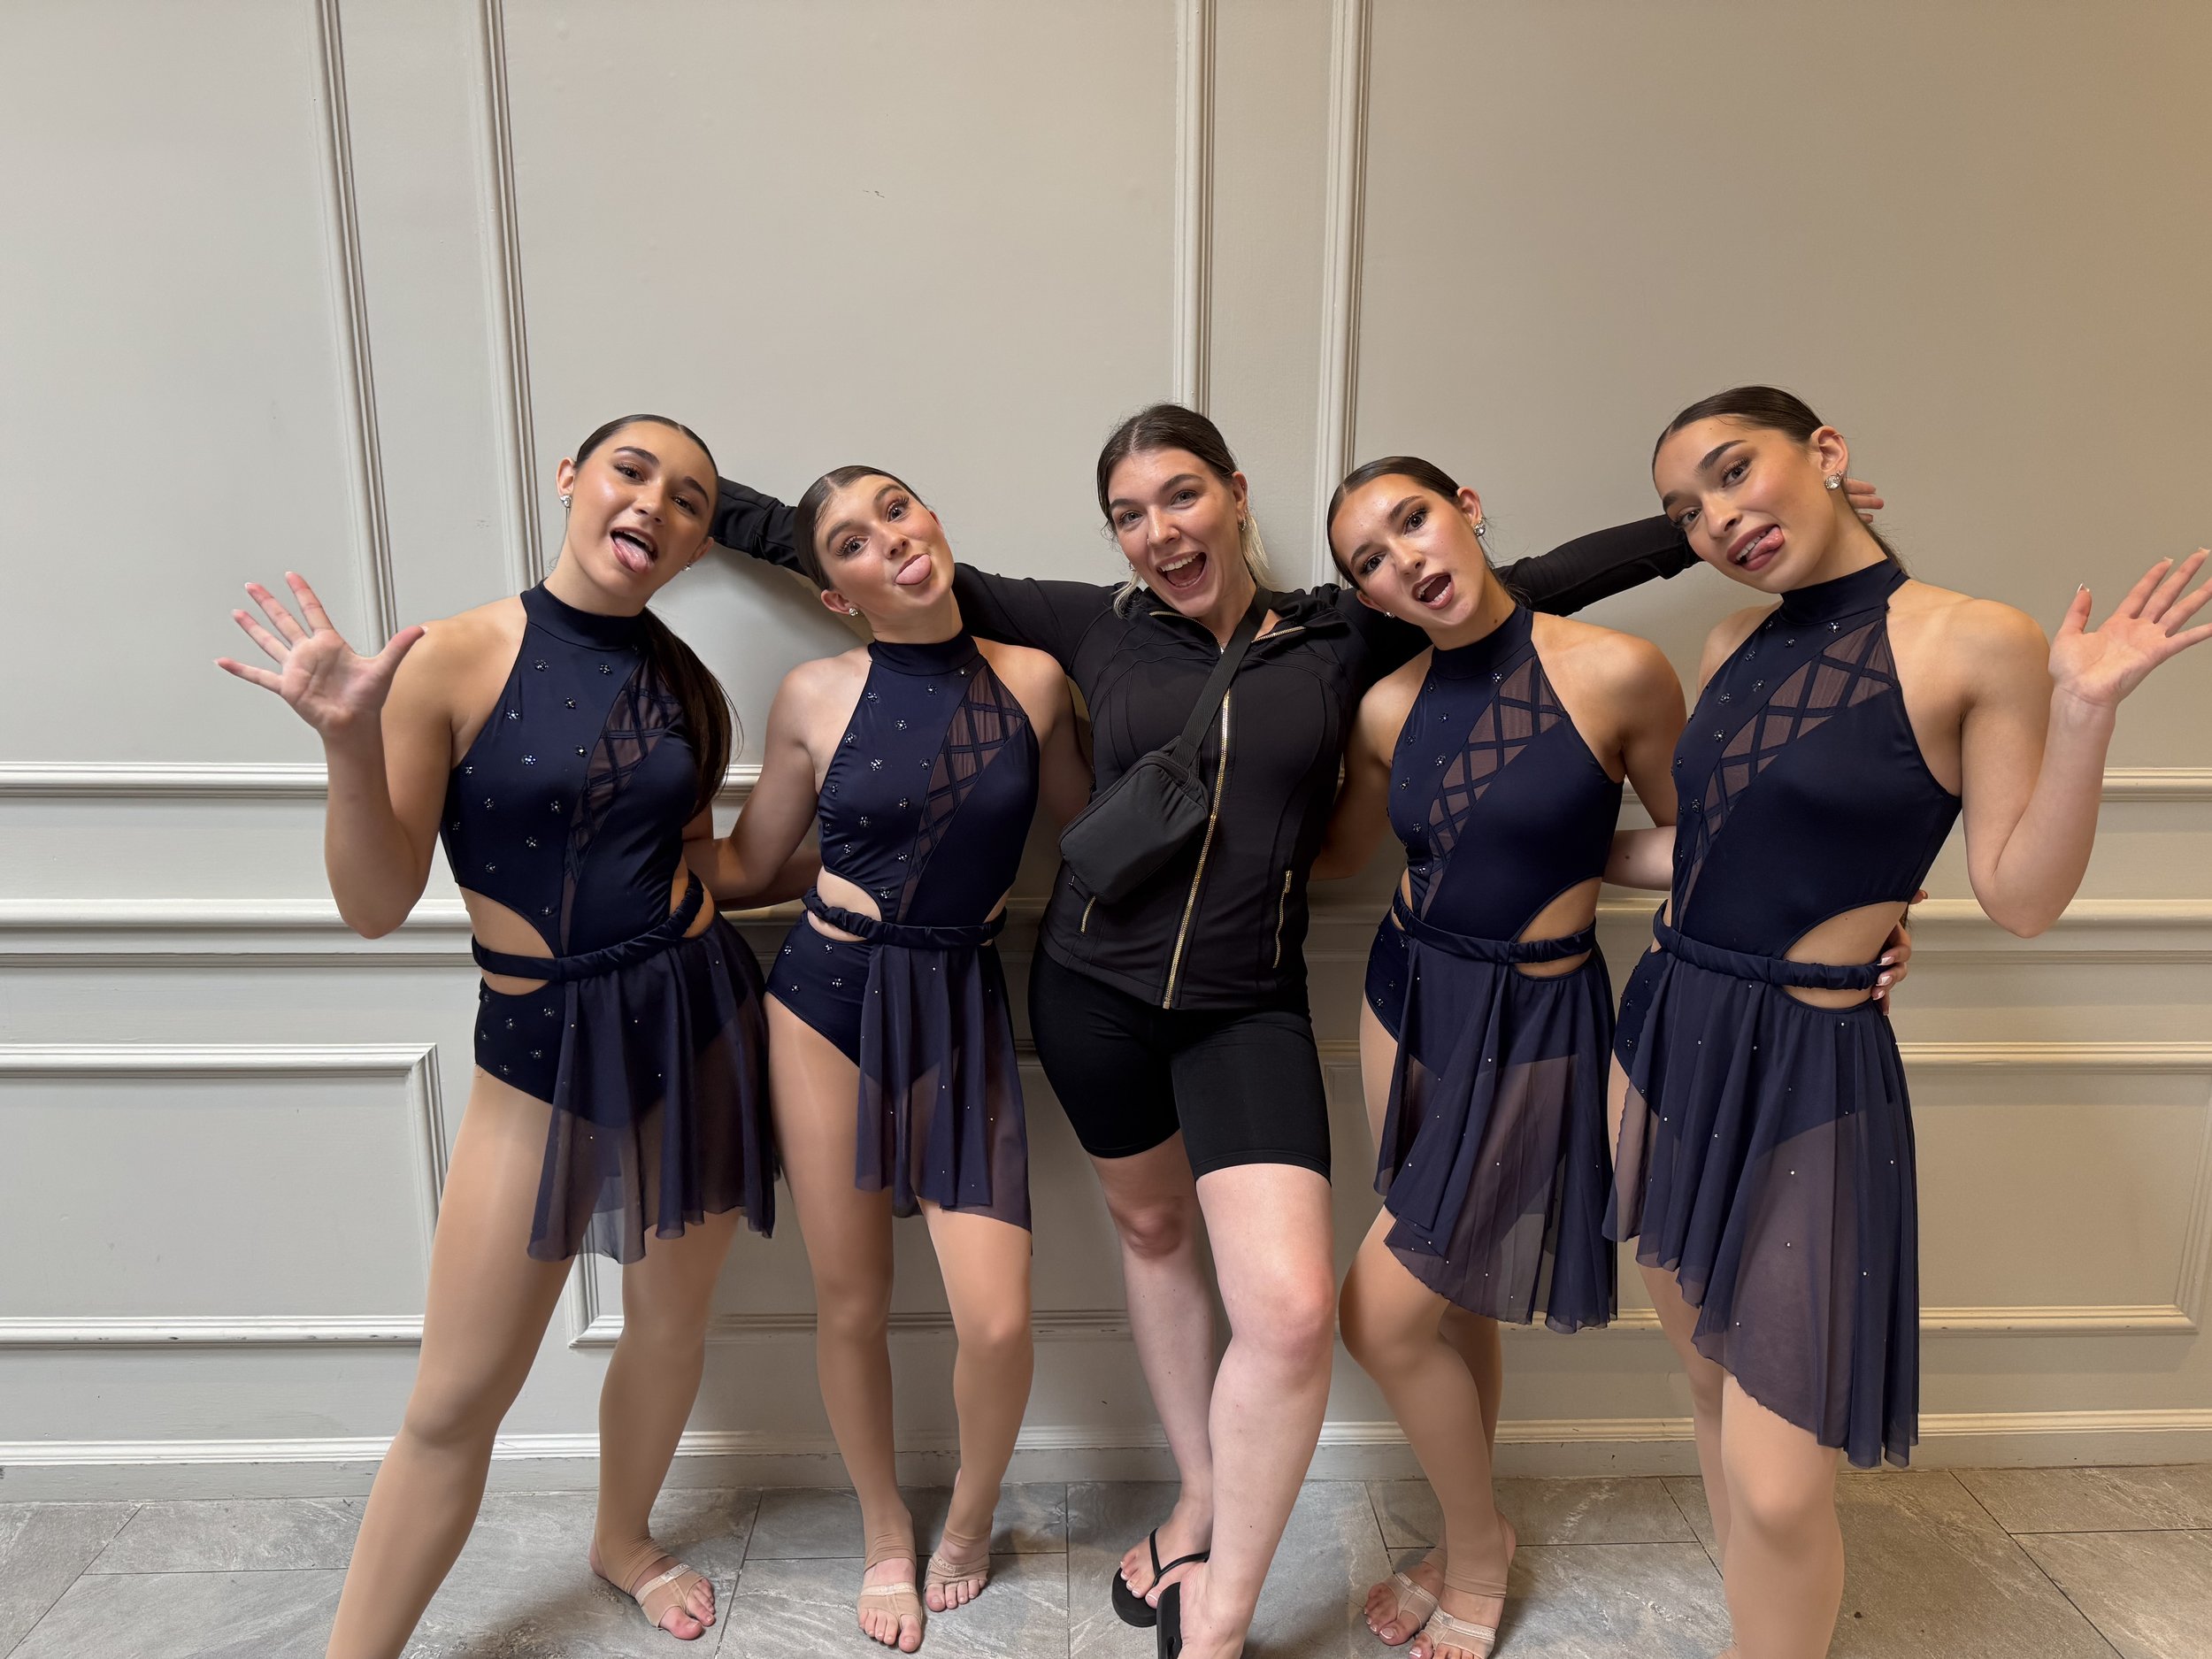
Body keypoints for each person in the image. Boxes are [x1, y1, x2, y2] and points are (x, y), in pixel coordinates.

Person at [711, 405, 1870, 1659]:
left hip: (1248, 1004)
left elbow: (1523, 585)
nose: (1160, 531)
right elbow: (867, 551)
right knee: (1151, 1236)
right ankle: (1200, 1499)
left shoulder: (1337, 628)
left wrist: (1694, 525)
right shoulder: (1084, 624)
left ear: (1234, 494)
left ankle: (1220, 1618)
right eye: (1129, 514)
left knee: (1292, 1309)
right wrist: (695, 505)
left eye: (1182, 497)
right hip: (1087, 997)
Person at [1611, 385, 2211, 1659]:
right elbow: (1706, 852)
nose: (1719, 518)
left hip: (1810, 1064)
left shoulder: (1972, 638)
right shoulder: (1728, 644)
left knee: (1783, 1475)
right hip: (1669, 1028)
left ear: (1826, 454)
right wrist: (1541, 850)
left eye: (1736, 473)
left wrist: (2088, 709)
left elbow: (2020, 893)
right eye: (1686, 508)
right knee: (1707, 1379)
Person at [219, 415, 792, 1653]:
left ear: (699, 543)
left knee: (671, 1320)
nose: (655, 504)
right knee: (457, 1396)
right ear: (574, 479)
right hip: (540, 1049)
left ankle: (623, 1538)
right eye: (634, 472)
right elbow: (374, 906)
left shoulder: (688, 684)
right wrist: (343, 747)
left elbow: (696, 860)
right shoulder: (449, 658)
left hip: (697, 1022)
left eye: (690, 499)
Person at [688, 466, 1087, 1652]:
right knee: (851, 1300)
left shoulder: (1037, 679)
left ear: (933, 519)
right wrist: (619, 853)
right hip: (824, 1000)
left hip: (960, 999)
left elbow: (1090, 840)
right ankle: (882, 1532)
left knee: (998, 1323)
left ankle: (966, 1525)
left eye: (898, 509)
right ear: (837, 590)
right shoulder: (812, 692)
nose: (892, 541)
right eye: (854, 541)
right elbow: (758, 866)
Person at [1310, 456, 1685, 1659]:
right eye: (1370, 559)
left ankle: (1476, 1550)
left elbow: (1699, 844)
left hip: (1534, 1018)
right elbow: (1344, 856)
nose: (1404, 559)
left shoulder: (1617, 669)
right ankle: (1462, 1529)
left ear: (1466, 509)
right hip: (1406, 990)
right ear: (1368, 598)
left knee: (1379, 1315)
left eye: (1411, 521)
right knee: (1450, 1288)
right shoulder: (1385, 708)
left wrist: (1861, 908)